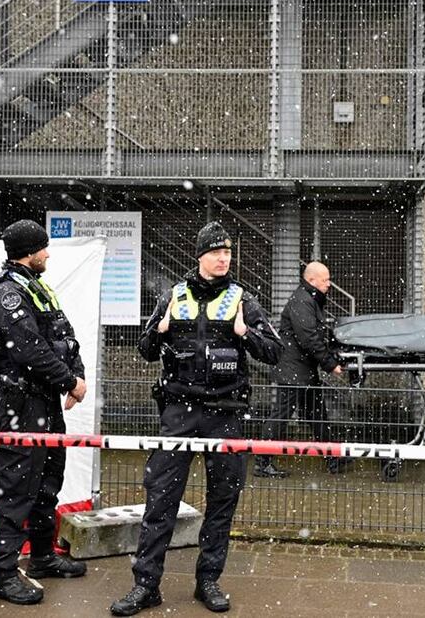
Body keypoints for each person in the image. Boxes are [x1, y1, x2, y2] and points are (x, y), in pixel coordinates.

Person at [110, 221, 282, 616]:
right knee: (161, 499)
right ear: (200, 255)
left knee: (223, 499)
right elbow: (146, 349)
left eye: (228, 253)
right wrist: (163, 329)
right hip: (178, 413)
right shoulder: (173, 296)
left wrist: (245, 334)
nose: (224, 258)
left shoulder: (243, 299)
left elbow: (274, 351)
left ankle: (208, 581)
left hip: (226, 415)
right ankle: (146, 585)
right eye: (216, 252)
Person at [0, 219, 88, 605]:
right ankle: (3, 572)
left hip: (45, 402)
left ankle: (42, 556)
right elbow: (28, 349)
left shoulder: (37, 287)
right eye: (43, 247)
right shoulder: (6, 294)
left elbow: (64, 335)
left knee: (47, 480)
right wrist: (69, 383)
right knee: (17, 486)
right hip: (23, 403)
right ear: (28, 251)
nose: (48, 253)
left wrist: (76, 375)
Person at [253, 261, 346, 478]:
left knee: (315, 414)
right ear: (311, 280)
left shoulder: (306, 300)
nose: (329, 284)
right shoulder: (303, 302)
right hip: (295, 371)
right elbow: (309, 337)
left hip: (299, 370)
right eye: (325, 280)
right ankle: (262, 461)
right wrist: (330, 363)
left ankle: (333, 457)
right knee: (282, 415)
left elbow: (311, 336)